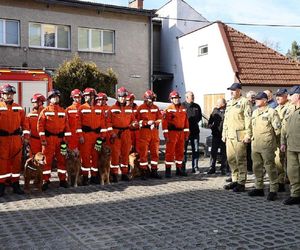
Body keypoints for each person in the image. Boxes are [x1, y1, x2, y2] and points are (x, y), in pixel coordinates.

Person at [248, 92, 281, 201]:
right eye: (255, 99)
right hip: (256, 144)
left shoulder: (272, 112)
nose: (256, 100)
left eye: (258, 99)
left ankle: (273, 190)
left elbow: (278, 131)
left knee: (270, 167)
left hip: (267, 145)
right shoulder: (255, 112)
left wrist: (278, 144)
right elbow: (250, 128)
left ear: (265, 100)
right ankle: (259, 188)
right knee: (256, 167)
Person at [37, 89, 71, 191]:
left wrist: (66, 140)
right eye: (53, 97)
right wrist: (43, 139)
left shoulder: (63, 111)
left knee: (62, 159)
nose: (55, 98)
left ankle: (62, 180)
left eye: (57, 97)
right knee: (47, 161)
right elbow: (40, 126)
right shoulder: (45, 111)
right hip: (48, 140)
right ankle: (45, 180)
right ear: (49, 99)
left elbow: (67, 127)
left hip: (61, 140)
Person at [0, 84, 30, 196]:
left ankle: (16, 185)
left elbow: (25, 123)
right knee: (2, 163)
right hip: (2, 140)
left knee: (16, 163)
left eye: (11, 94)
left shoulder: (19, 108)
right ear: (2, 95)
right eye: (7, 94)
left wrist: (26, 137)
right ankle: (1, 185)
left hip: (16, 139)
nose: (9, 96)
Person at [223, 83, 252, 192]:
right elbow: (226, 120)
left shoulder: (245, 102)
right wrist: (224, 134)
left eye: (234, 90)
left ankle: (241, 182)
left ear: (239, 91)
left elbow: (248, 119)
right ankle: (235, 179)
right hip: (230, 134)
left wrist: (248, 134)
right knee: (231, 159)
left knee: (241, 159)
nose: (231, 92)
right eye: (230, 90)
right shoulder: (229, 103)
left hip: (240, 133)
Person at [107, 87, 138, 182]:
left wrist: (134, 123)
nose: (123, 98)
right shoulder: (112, 109)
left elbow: (134, 120)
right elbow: (108, 123)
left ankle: (124, 173)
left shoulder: (129, 109)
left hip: (126, 133)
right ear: (118, 97)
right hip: (116, 134)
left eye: (124, 97)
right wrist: (112, 133)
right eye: (121, 96)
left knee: (125, 154)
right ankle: (114, 173)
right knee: (115, 154)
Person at [77, 88, 107, 185]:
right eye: (85, 96)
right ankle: (85, 177)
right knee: (85, 157)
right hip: (85, 137)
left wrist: (102, 137)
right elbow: (78, 124)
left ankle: (94, 176)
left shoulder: (99, 109)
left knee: (95, 156)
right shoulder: (81, 108)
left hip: (97, 137)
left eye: (89, 96)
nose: (87, 97)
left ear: (94, 97)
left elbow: (103, 125)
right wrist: (80, 136)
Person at [162, 90, 189, 178]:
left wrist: (186, 134)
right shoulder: (168, 109)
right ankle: (168, 170)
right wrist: (166, 135)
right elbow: (164, 123)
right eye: (174, 98)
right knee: (170, 152)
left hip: (181, 133)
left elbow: (186, 123)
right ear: (171, 99)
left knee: (180, 152)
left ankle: (179, 169)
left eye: (177, 98)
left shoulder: (183, 108)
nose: (176, 99)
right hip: (172, 133)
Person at [281, 85, 300, 205]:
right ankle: (295, 195)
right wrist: (283, 142)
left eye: (290, 95)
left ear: (298, 96)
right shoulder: (290, 109)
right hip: (291, 146)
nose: (288, 97)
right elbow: (284, 127)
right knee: (292, 172)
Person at [136, 90, 162, 180]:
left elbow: (160, 118)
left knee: (155, 153)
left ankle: (154, 171)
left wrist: (155, 123)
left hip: (154, 132)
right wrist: (146, 123)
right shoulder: (140, 108)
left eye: (152, 99)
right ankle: (144, 172)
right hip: (144, 133)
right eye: (150, 99)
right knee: (143, 153)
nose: (151, 101)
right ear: (146, 99)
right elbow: (136, 121)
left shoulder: (156, 107)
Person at [182, 91, 202, 173]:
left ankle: (195, 167)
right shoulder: (182, 106)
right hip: (185, 132)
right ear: (186, 97)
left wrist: (194, 122)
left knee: (196, 150)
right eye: (191, 96)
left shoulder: (197, 106)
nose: (193, 97)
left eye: (193, 95)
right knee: (183, 150)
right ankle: (183, 168)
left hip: (195, 132)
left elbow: (199, 117)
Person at [274, 88, 290, 192]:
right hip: (278, 139)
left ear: (286, 96)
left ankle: (291, 183)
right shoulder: (276, 108)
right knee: (278, 162)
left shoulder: (290, 107)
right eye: (277, 95)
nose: (277, 97)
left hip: (289, 139)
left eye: (280, 95)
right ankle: (281, 182)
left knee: (290, 163)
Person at [207, 98, 227, 175]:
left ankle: (223, 168)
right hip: (215, 134)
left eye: (218, 103)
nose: (216, 104)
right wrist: (210, 124)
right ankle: (212, 168)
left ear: (223, 104)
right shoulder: (215, 110)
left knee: (223, 152)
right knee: (213, 152)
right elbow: (211, 119)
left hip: (224, 135)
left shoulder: (227, 111)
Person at [245, 91, 257, 173]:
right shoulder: (245, 106)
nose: (253, 99)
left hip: (255, 133)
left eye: (254, 97)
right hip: (246, 132)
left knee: (251, 152)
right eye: (251, 97)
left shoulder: (257, 106)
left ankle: (250, 167)